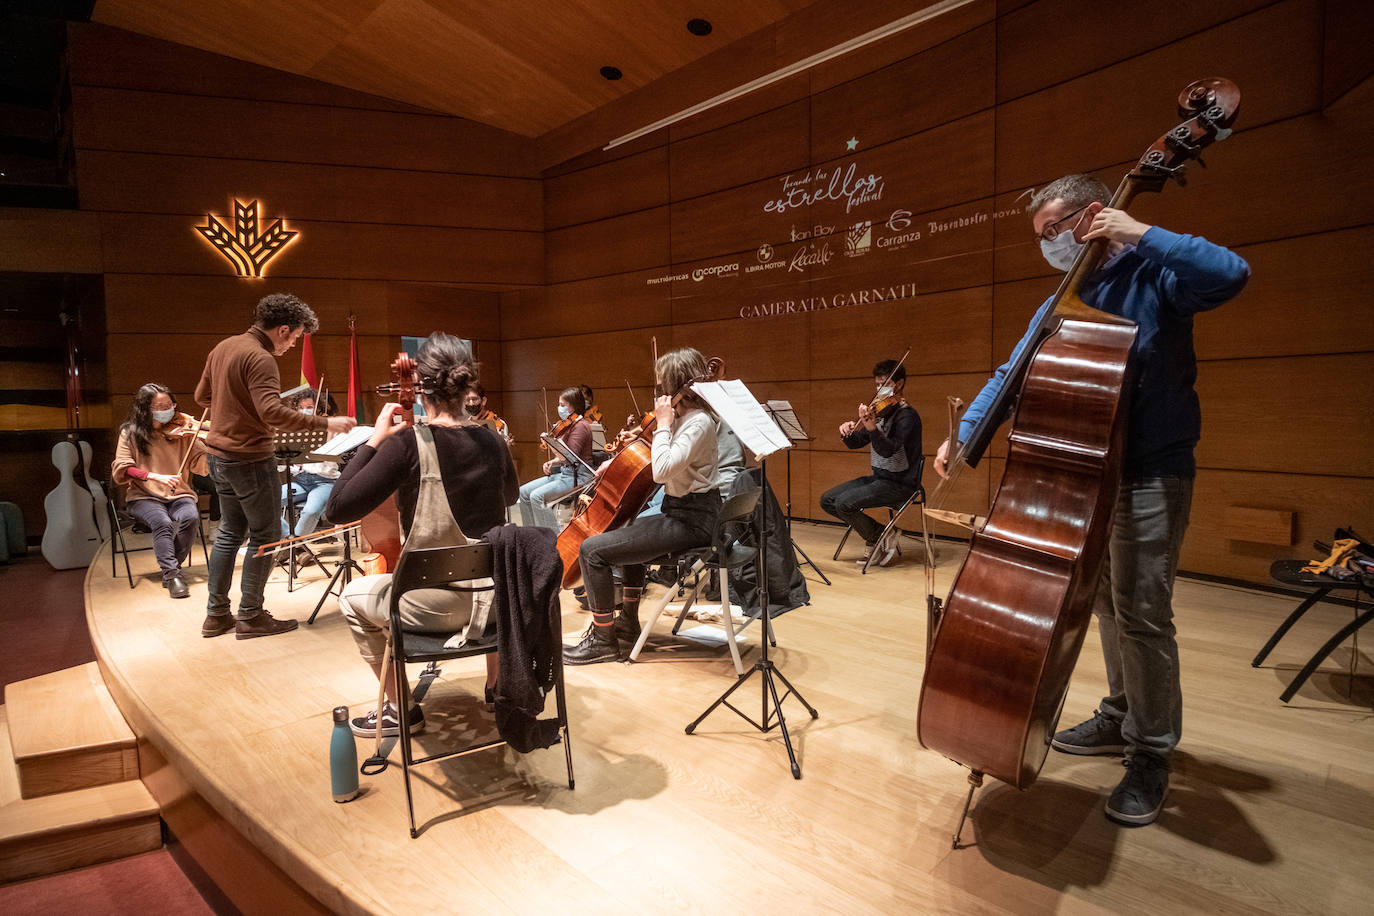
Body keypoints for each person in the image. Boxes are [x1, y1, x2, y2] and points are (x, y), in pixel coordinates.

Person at [933, 173, 1250, 826]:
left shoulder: (1152, 271)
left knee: (1141, 610)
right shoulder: (1066, 295)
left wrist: (1143, 233)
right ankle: (1119, 713)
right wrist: (965, 437)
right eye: (1042, 237)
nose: (1049, 245)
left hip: (1151, 469)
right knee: (1104, 600)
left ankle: (1151, 753)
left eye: (1054, 231)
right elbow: (1012, 370)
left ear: (1093, 217)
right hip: (1085, 472)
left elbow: (1231, 274)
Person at [325, 333, 518, 736]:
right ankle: (497, 687)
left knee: (351, 598)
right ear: (467, 387)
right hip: (500, 602)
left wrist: (376, 438)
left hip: (438, 608)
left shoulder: (408, 444)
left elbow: (338, 508)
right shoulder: (494, 440)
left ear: (420, 388)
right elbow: (511, 495)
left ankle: (401, 710)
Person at [195, 293, 356, 639]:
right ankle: (251, 616)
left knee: (229, 533)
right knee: (266, 537)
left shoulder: (223, 347)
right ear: (283, 329)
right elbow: (270, 412)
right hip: (249, 459)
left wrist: (236, 406)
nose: (293, 344)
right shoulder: (261, 357)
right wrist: (326, 424)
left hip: (218, 457)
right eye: (296, 337)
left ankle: (216, 615)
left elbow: (201, 397)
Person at [563, 347, 720, 665]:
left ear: (678, 386)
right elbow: (655, 460)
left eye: (662, 384)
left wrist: (663, 423)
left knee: (593, 551)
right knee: (628, 532)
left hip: (694, 520)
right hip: (680, 512)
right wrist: (616, 463)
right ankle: (627, 622)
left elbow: (663, 470)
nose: (658, 391)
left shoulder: (698, 422)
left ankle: (602, 639)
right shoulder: (684, 418)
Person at [819, 359, 923, 568]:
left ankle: (876, 537)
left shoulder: (907, 416)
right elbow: (858, 442)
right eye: (877, 384)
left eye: (884, 384)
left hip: (901, 484)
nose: (879, 389)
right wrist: (848, 433)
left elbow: (888, 450)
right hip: (880, 479)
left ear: (899, 384)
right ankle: (883, 533)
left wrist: (872, 428)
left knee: (844, 504)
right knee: (828, 500)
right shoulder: (880, 413)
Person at [110, 384, 208, 598]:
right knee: (162, 522)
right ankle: (172, 575)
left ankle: (171, 566)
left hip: (178, 493)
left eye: (170, 405)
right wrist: (155, 477)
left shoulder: (183, 432)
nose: (168, 410)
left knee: (190, 518)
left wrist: (212, 447)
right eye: (160, 406)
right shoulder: (130, 433)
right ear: (145, 409)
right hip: (143, 496)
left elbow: (199, 463)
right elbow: (122, 467)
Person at [278, 389, 340, 564]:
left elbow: (335, 457)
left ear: (319, 409)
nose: (305, 411)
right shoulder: (292, 430)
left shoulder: (330, 427)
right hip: (301, 481)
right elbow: (282, 466)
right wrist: (287, 459)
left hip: (325, 482)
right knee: (266, 503)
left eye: (310, 407)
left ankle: (292, 547)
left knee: (311, 510)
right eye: (301, 407)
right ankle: (294, 546)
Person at [517, 388, 593, 530]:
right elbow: (565, 457)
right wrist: (551, 462)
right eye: (559, 404)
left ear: (574, 406)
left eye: (563, 405)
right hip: (566, 474)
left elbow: (568, 456)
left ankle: (554, 539)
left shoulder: (581, 426)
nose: (559, 408)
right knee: (523, 493)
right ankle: (531, 535)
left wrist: (550, 442)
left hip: (580, 477)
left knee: (536, 497)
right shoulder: (569, 425)